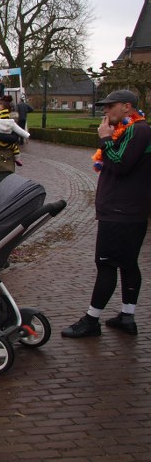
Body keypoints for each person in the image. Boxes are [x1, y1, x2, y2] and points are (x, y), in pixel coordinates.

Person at [61, 90, 151, 338]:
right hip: (130, 210)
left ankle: (92, 320)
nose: (105, 111)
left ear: (126, 106)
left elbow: (120, 165)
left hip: (120, 211)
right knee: (128, 263)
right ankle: (127, 315)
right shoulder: (135, 129)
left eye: (109, 106)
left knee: (107, 264)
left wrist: (105, 140)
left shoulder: (138, 130)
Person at [0, 96, 30, 166]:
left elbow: (13, 138)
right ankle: (17, 158)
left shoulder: (11, 121)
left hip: (5, 157)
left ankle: (17, 159)